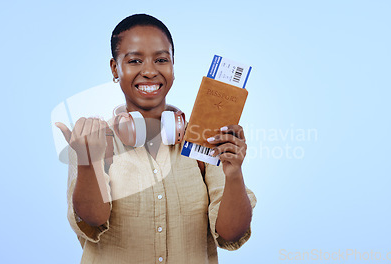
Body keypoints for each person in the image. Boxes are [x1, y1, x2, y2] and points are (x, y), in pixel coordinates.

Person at [56, 14, 256, 264]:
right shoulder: (90, 140)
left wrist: (234, 172)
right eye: (134, 60)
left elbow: (230, 234)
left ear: (173, 66)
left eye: (161, 59)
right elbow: (92, 219)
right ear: (115, 68)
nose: (149, 71)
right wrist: (88, 160)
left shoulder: (205, 139)